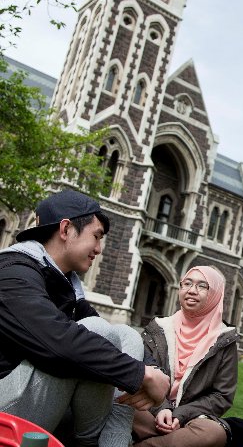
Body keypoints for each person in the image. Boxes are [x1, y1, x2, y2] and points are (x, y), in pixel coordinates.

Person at [0, 190, 170, 447]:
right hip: (7, 411)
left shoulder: (65, 284)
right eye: (96, 236)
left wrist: (153, 371)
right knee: (95, 331)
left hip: (36, 402)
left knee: (124, 334)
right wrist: (140, 375)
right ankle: (95, 441)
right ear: (66, 229)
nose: (99, 249)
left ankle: (113, 441)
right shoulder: (13, 273)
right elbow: (57, 342)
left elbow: (116, 339)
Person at [132, 265, 239, 447]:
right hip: (151, 409)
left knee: (213, 433)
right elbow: (141, 374)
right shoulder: (157, 329)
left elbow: (222, 395)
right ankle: (175, 441)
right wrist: (162, 408)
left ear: (215, 294)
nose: (191, 291)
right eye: (187, 283)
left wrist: (179, 414)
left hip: (193, 418)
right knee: (116, 404)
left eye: (202, 286)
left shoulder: (225, 341)